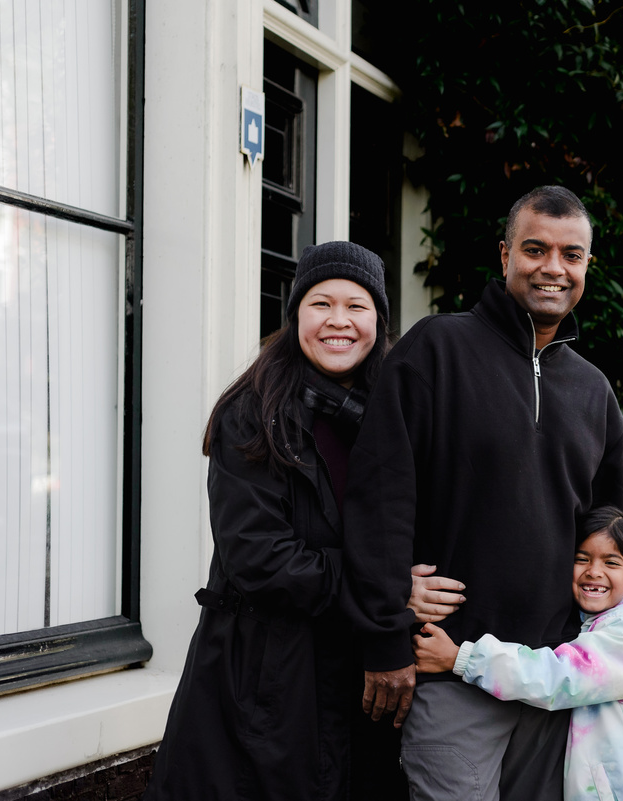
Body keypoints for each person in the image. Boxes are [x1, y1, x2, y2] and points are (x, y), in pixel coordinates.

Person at [343, 186, 623, 800]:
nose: (553, 267)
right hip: (449, 675)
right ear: (504, 257)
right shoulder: (436, 351)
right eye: (535, 249)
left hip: (555, 686)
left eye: (570, 255)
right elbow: (378, 504)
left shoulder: (592, 390)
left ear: (586, 268)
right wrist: (384, 636)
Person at [144, 241, 464, 801]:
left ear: (379, 320)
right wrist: (386, 591)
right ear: (295, 317)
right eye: (321, 304)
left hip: (363, 673)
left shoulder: (399, 411)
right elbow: (257, 557)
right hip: (265, 679)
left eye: (357, 306)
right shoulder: (253, 411)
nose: (338, 321)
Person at [412, 507, 623, 801]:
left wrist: (460, 658)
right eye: (582, 559)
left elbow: (557, 676)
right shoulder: (616, 621)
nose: (594, 571)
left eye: (611, 562)